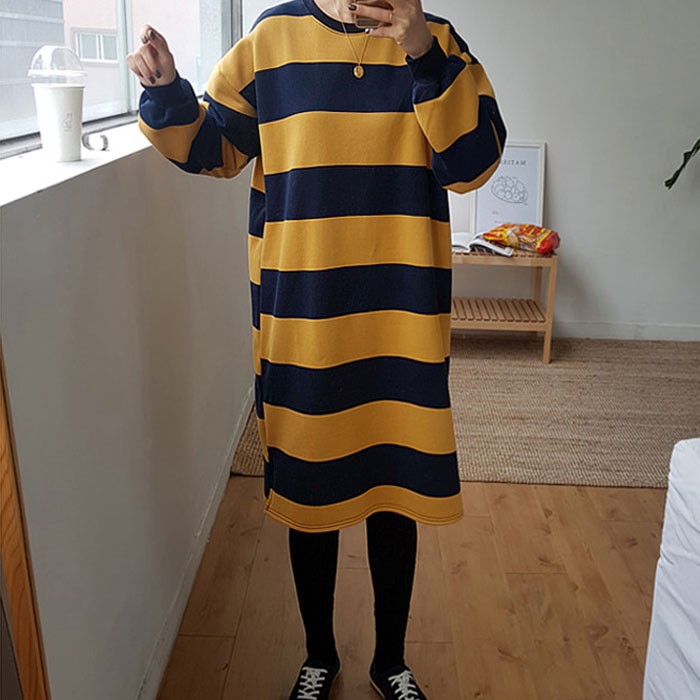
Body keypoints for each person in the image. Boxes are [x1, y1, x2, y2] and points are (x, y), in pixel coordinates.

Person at [127, 0, 506, 697]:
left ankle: (391, 661)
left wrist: (422, 55)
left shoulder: (435, 40)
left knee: (395, 491)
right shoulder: (273, 38)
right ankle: (318, 656)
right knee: (310, 491)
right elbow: (215, 147)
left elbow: (472, 163)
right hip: (304, 318)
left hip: (400, 316)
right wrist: (165, 91)